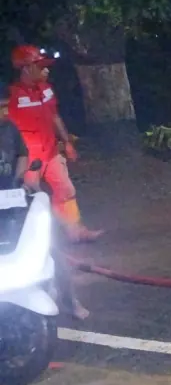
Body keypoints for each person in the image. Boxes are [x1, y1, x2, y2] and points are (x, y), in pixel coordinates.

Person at [1, 95, 89, 319]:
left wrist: (21, 179)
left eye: (5, 107)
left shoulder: (9, 128)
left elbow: (23, 154)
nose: (4, 112)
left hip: (12, 197)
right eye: (0, 108)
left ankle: (70, 301)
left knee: (51, 247)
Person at [6, 45, 102, 242]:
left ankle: (75, 231)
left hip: (50, 152)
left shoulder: (47, 90)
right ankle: (34, 239)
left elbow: (54, 116)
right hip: (28, 157)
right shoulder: (11, 95)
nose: (46, 70)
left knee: (66, 191)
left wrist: (67, 142)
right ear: (25, 69)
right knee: (30, 196)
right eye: (40, 67)